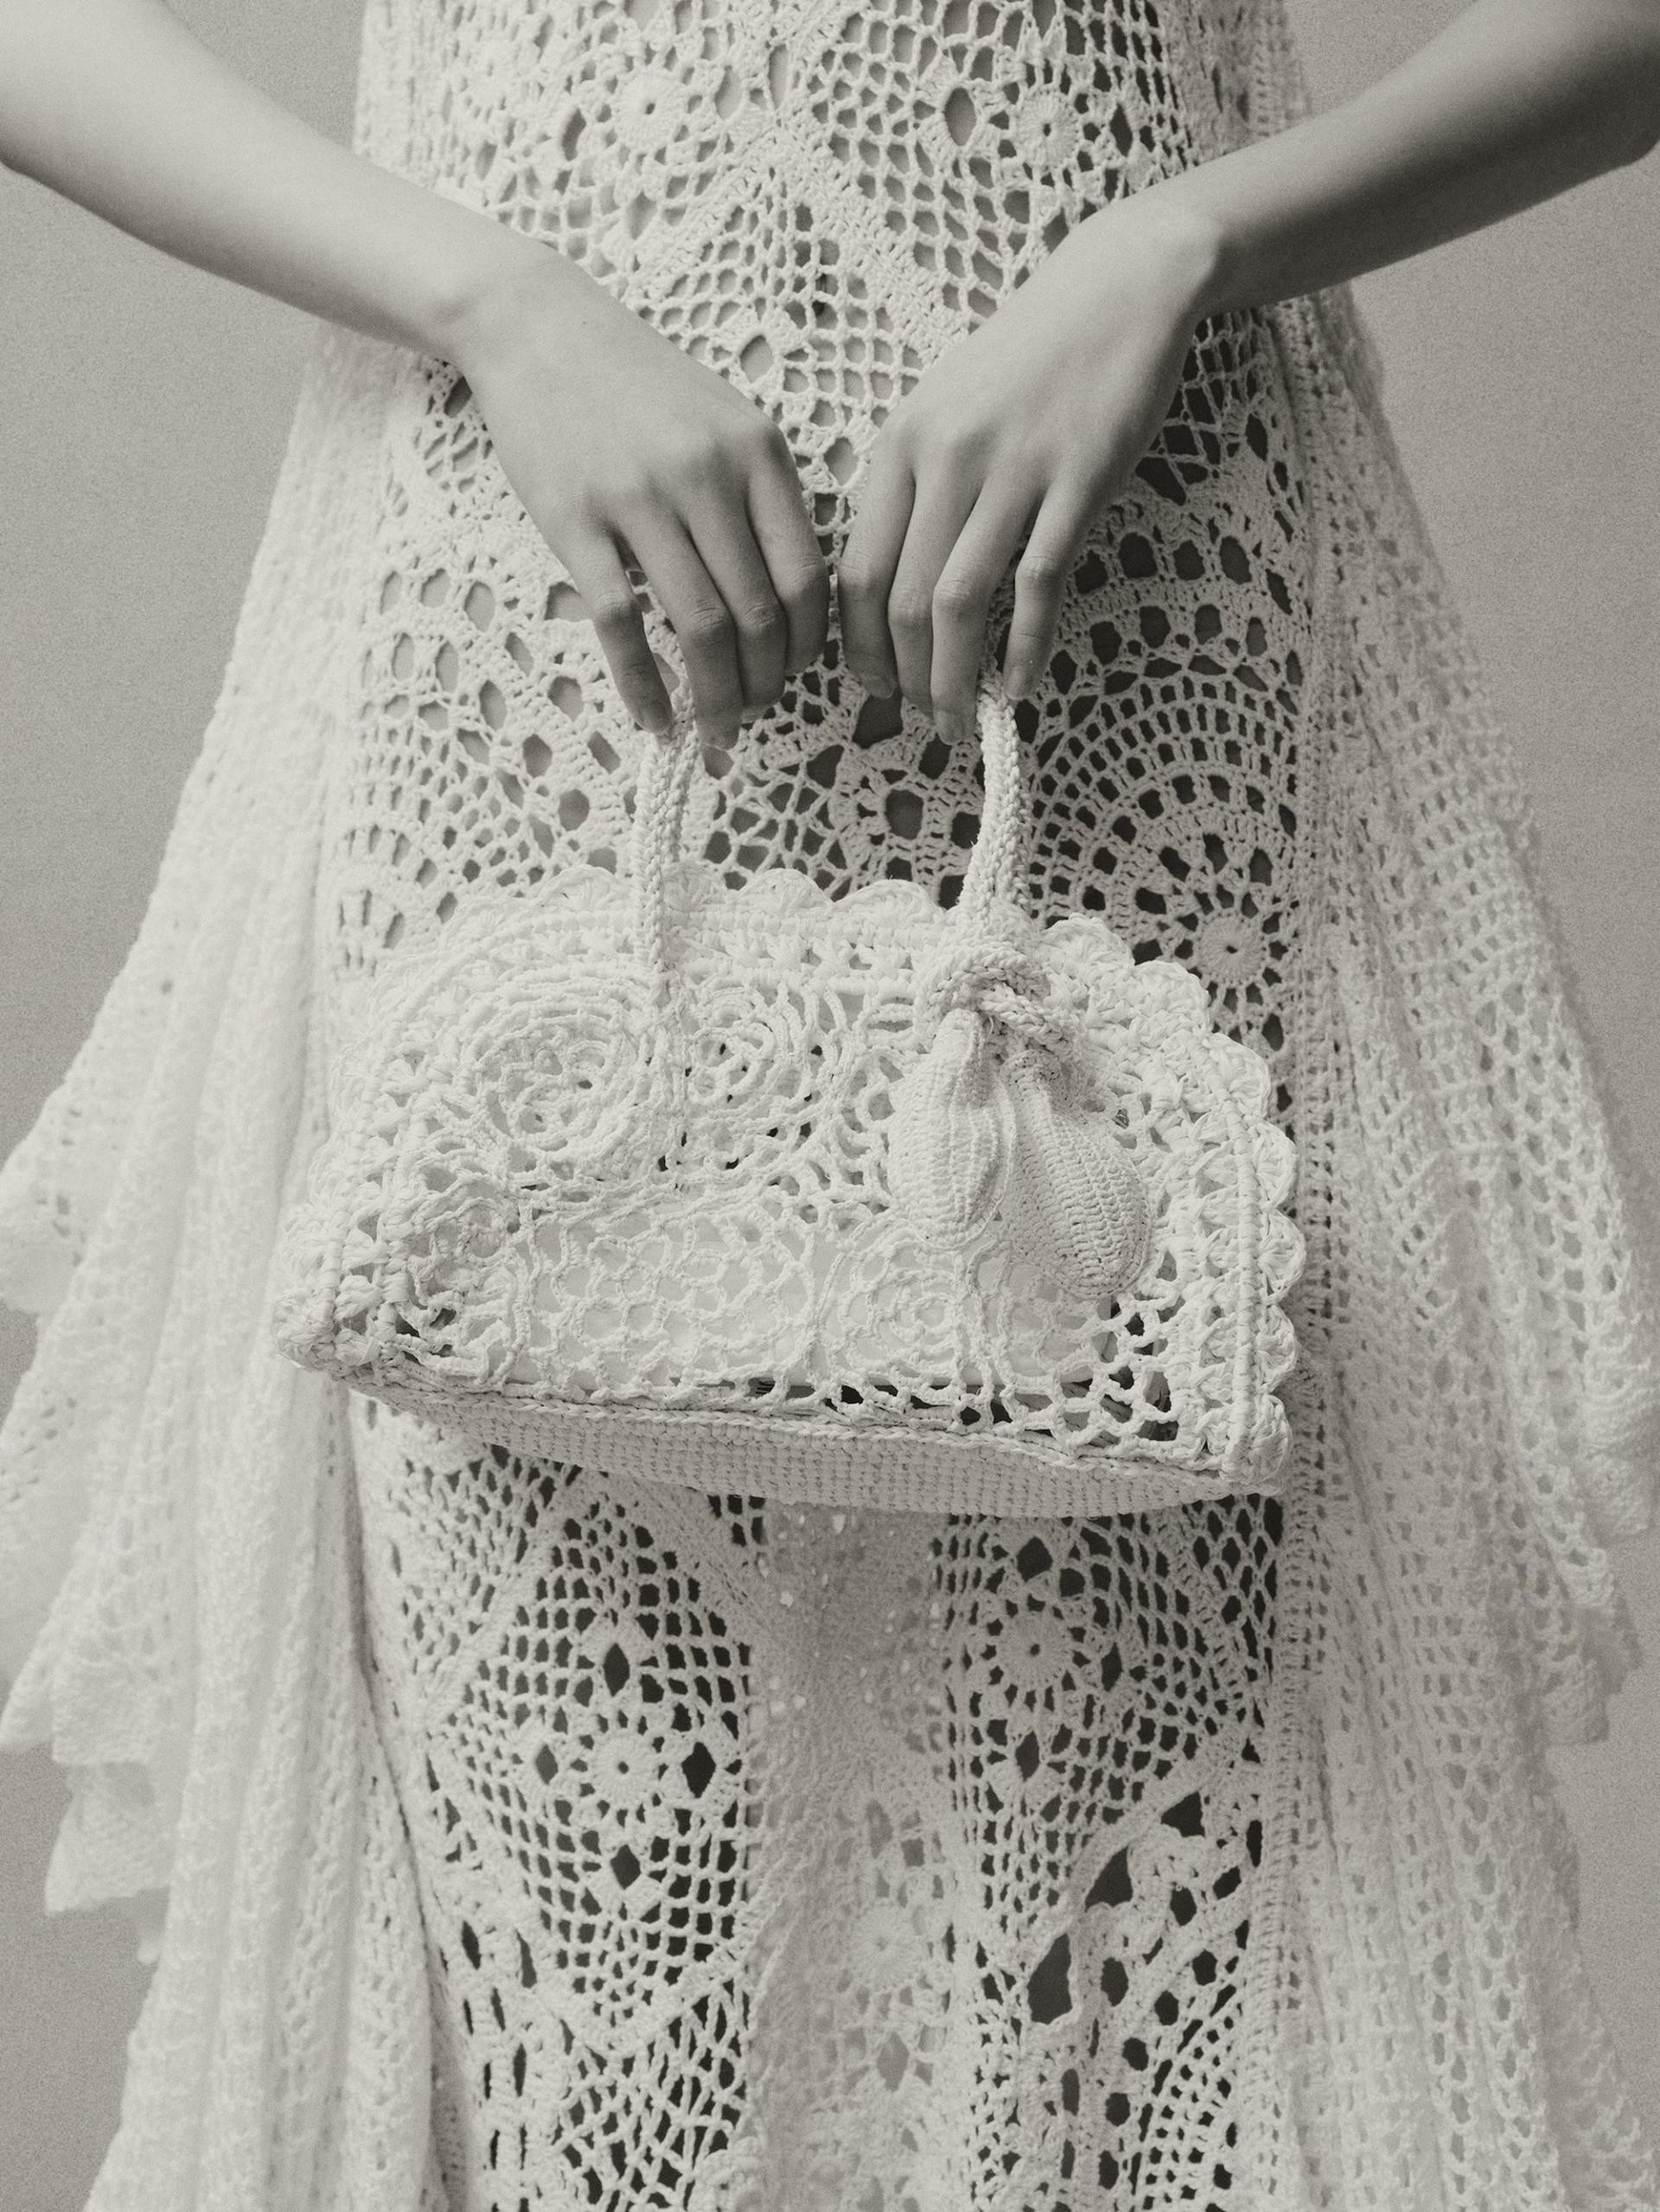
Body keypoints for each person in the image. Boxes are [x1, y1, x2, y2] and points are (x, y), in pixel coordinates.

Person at [3, 0, 1659, 2204]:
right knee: (569, 1944)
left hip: (1139, 689)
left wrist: (1182, 243)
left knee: (1141, 1903)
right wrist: (492, 298)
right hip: (532, 694)